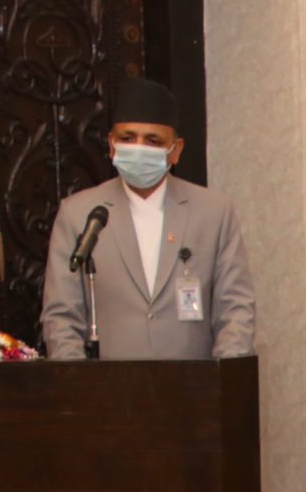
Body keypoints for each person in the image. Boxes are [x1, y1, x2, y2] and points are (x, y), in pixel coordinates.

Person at [41, 78, 255, 360]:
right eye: (127, 138)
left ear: (175, 150)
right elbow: (61, 316)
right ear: (112, 144)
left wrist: (223, 378)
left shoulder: (214, 212)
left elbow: (235, 308)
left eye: (153, 141)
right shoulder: (80, 214)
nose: (139, 148)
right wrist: (78, 381)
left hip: (194, 383)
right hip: (107, 384)